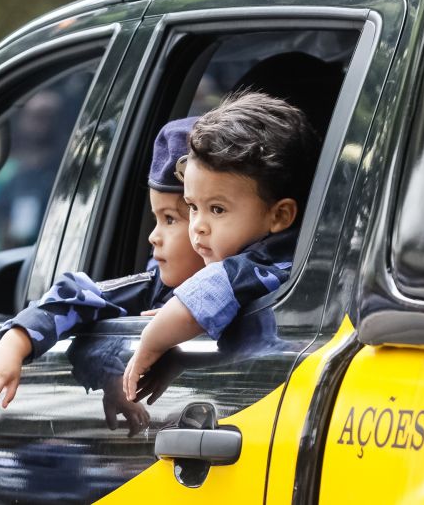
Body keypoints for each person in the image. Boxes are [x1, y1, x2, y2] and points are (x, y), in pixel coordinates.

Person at [0, 116, 205, 414]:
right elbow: (79, 297)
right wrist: (14, 344)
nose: (153, 236)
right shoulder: (154, 287)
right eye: (156, 218)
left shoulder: (259, 281)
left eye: (170, 219)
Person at [123, 91, 321, 400]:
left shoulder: (273, 260)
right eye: (192, 207)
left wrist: (154, 338)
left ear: (280, 215)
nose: (198, 225)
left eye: (217, 209)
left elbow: (217, 286)